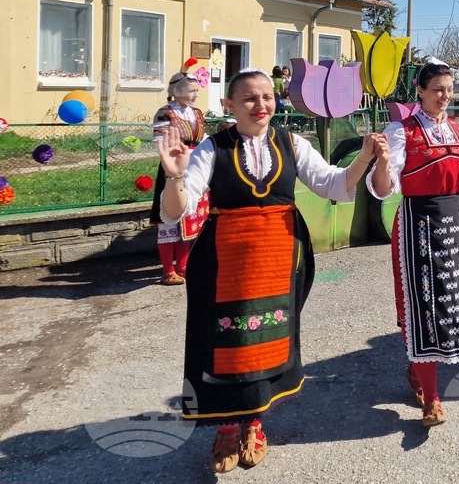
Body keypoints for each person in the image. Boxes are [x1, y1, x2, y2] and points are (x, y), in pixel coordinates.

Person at [156, 68, 379, 473]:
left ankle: (254, 424)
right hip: (225, 261)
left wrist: (364, 156)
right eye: (249, 99)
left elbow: (332, 185)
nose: (261, 106)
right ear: (229, 105)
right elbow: (177, 211)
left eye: (267, 97)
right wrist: (174, 176)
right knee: (224, 345)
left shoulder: (292, 143)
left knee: (268, 340)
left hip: (280, 258)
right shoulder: (212, 148)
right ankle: (225, 427)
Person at [368, 60, 459, 427]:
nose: (444, 96)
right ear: (420, 91)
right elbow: (385, 190)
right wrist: (382, 162)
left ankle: (420, 374)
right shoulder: (402, 131)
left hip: (454, 221)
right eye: (437, 90)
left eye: (448, 89)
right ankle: (432, 397)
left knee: (451, 303)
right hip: (417, 222)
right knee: (422, 306)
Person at [149, 72, 209, 285]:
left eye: (196, 91)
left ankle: (183, 265)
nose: (195, 95)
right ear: (177, 91)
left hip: (195, 167)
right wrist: (177, 158)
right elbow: (159, 140)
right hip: (172, 166)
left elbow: (203, 138)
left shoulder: (198, 113)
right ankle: (168, 270)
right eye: (192, 90)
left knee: (188, 217)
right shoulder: (165, 113)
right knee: (169, 219)